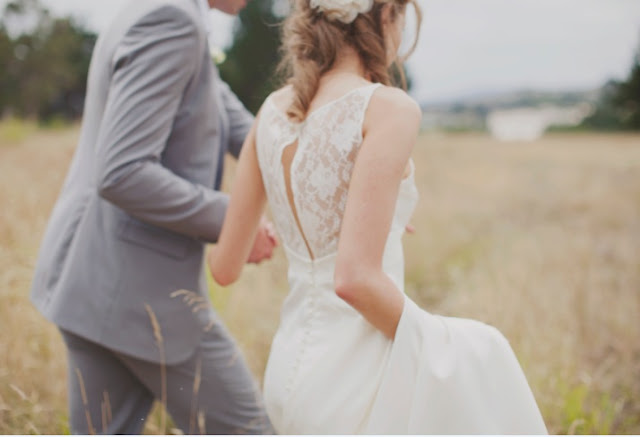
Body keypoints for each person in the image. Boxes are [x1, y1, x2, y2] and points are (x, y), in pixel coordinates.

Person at [208, 0, 549, 433]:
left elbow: (223, 269)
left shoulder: (271, 112)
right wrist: (440, 343)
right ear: (386, 16)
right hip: (359, 378)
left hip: (288, 372)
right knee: (486, 356)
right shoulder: (389, 108)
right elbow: (353, 278)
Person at [30, 0, 277, 434]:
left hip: (94, 285)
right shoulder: (174, 20)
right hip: (140, 296)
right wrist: (234, 223)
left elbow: (247, 132)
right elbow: (123, 171)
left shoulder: (167, 11)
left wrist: (340, 187)